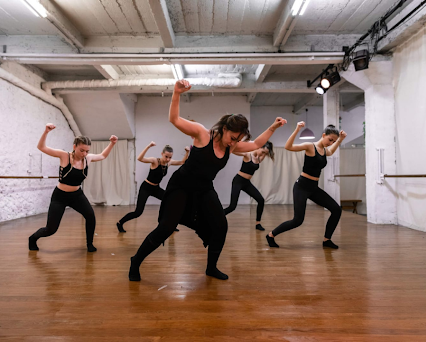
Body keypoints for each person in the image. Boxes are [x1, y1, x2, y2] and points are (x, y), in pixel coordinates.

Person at [129, 79, 286, 281]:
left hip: (204, 189)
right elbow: (174, 119)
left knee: (221, 225)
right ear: (224, 128)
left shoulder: (233, 146)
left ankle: (211, 267)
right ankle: (136, 261)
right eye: (233, 137)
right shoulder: (203, 134)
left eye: (238, 140)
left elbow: (256, 143)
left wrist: (273, 127)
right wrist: (177, 93)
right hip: (181, 186)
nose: (235, 142)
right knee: (166, 228)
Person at [28, 123, 118, 252]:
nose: (84, 153)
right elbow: (41, 147)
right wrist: (46, 132)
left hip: (77, 195)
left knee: (90, 216)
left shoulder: (88, 159)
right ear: (74, 147)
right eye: (82, 150)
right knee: (51, 229)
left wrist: (112, 143)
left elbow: (103, 155)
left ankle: (89, 244)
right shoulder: (64, 156)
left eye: (87, 151)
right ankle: (33, 238)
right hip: (60, 196)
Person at [266, 121, 346, 249]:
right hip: (301, 186)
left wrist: (339, 140)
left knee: (336, 210)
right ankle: (271, 235)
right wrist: (297, 129)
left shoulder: (325, 151)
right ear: (323, 135)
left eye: (333, 141)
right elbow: (288, 147)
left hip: (313, 188)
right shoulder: (310, 146)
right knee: (298, 220)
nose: (330, 143)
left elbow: (330, 152)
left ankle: (327, 240)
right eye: (330, 140)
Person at [116, 142, 189, 232]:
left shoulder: (168, 163)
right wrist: (148, 146)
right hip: (146, 188)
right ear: (162, 154)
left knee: (171, 202)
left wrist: (187, 152)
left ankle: (170, 225)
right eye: (166, 156)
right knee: (138, 212)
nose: (168, 159)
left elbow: (182, 162)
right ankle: (120, 222)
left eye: (170, 157)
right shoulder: (155, 161)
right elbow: (140, 158)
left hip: (156, 189)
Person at [223, 142, 275, 231]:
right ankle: (215, 217)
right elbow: (235, 151)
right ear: (259, 147)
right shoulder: (247, 155)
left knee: (261, 200)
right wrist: (229, 146)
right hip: (238, 181)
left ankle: (258, 224)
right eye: (263, 152)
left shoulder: (260, 157)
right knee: (232, 206)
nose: (263, 155)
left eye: (265, 153)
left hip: (247, 183)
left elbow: (266, 152)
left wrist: (267, 151)